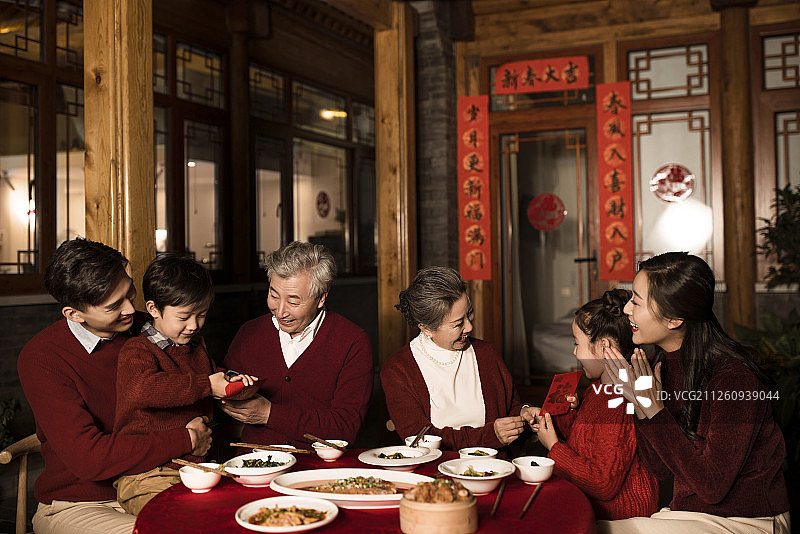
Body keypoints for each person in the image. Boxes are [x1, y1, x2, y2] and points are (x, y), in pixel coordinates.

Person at [17, 238, 211, 534]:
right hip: (81, 503)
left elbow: (194, 382)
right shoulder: (43, 357)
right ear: (74, 314)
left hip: (164, 478)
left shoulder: (153, 326)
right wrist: (185, 439)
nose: (130, 310)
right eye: (113, 306)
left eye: (129, 293)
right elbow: (88, 458)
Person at [600, 252, 790, 533]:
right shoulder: (659, 364)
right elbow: (661, 469)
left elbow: (712, 486)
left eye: (636, 301)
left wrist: (653, 409)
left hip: (750, 520)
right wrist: (640, 402)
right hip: (690, 513)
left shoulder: (734, 380)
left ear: (674, 319)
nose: (627, 309)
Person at [112, 254, 256, 515]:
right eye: (184, 317)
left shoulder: (194, 347)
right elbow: (142, 389)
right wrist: (207, 385)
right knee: (180, 517)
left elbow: (215, 377)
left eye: (201, 315)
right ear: (154, 309)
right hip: (147, 474)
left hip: (198, 467)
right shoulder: (138, 350)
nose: (194, 326)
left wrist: (235, 381)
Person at [221, 241, 374, 447]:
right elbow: (221, 395)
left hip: (319, 471)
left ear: (321, 298)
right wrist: (230, 388)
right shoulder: (249, 333)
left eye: (293, 302)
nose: (280, 311)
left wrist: (269, 414)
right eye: (274, 295)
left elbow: (346, 429)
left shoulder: (352, 342)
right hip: (255, 466)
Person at [528, 289, 658, 520]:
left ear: (603, 346)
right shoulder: (598, 388)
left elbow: (602, 484)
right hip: (590, 504)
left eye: (578, 343)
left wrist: (554, 447)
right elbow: (584, 440)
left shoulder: (620, 401)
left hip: (619, 516)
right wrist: (563, 415)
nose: (574, 351)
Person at [381, 266, 527, 451]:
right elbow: (419, 439)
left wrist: (524, 413)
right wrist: (490, 436)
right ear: (426, 328)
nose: (469, 327)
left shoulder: (486, 353)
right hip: (435, 473)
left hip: (494, 469)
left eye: (469, 313)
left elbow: (510, 408)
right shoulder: (398, 369)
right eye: (458, 324)